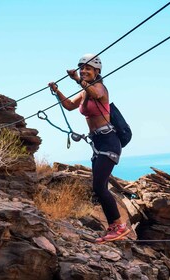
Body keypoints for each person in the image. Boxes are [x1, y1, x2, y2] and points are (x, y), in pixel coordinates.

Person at [48, 54, 130, 243]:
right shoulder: (85, 92)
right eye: (81, 68)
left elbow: (97, 94)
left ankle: (119, 226)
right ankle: (113, 227)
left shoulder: (100, 88)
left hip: (109, 141)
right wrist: (57, 91)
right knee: (98, 187)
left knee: (99, 186)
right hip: (98, 143)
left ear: (97, 71)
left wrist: (77, 80)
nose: (84, 71)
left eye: (88, 68)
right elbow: (69, 106)